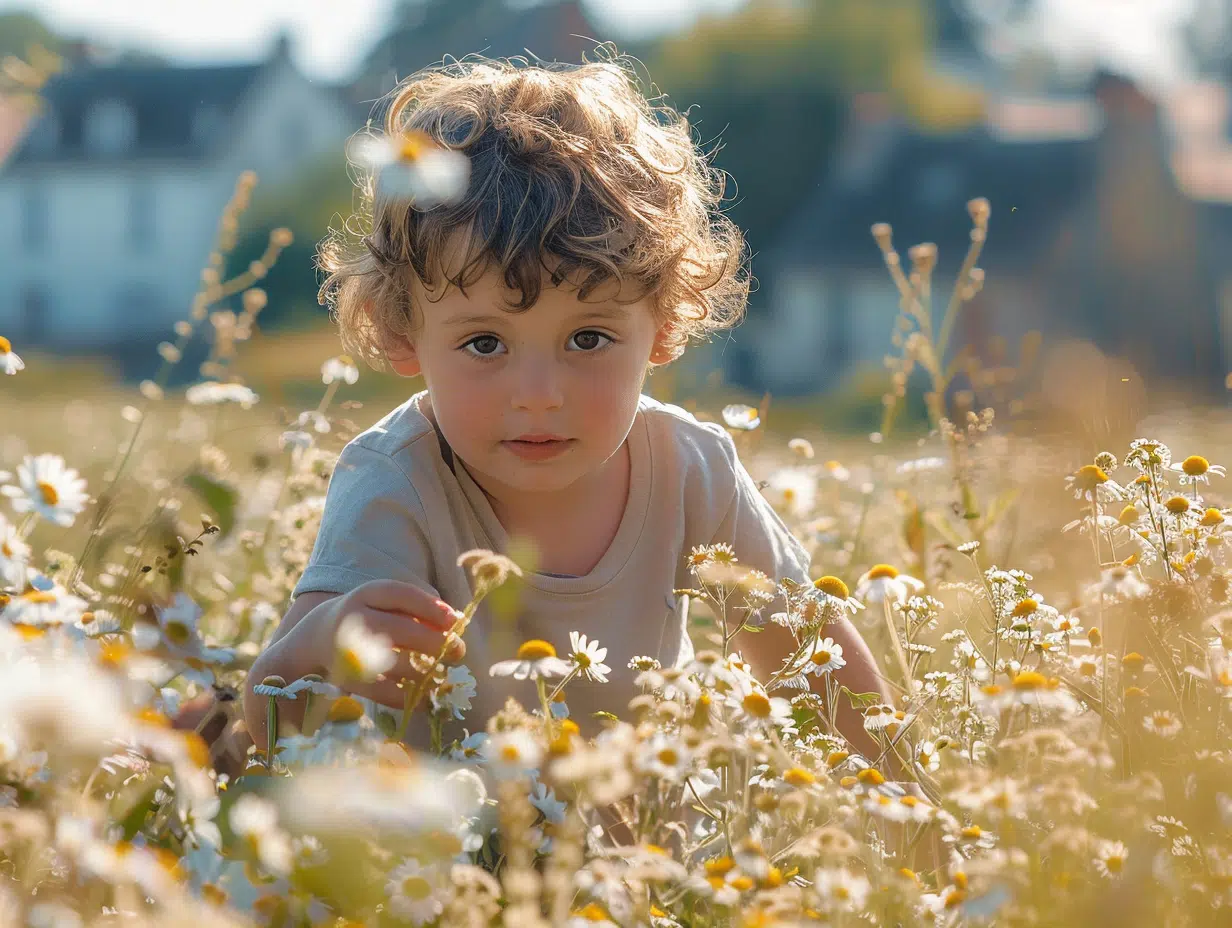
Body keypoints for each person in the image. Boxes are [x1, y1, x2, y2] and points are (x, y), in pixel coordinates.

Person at [242, 49, 893, 760]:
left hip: (647, 863)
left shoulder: (687, 469)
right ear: (403, 332)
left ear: (665, 325)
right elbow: (274, 717)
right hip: (453, 857)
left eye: (588, 338)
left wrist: (923, 836)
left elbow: (823, 679)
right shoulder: (394, 483)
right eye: (486, 344)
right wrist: (318, 643)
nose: (539, 396)